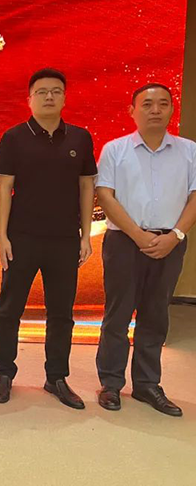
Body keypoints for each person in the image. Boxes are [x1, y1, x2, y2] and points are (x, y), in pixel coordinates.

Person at [0, 68, 97, 409]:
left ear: (64, 98)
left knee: (62, 313)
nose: (49, 97)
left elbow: (86, 188)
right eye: (42, 92)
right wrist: (2, 237)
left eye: (56, 91)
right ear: (30, 99)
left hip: (64, 239)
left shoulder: (80, 138)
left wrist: (85, 235)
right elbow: (4, 190)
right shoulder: (14, 137)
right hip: (22, 237)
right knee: (9, 310)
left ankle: (57, 377)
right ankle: (4, 373)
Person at [95, 83, 196, 416]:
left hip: (170, 242)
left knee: (155, 314)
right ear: (132, 110)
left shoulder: (189, 151)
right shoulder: (115, 149)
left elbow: (195, 196)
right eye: (147, 104)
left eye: (163, 104)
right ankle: (111, 383)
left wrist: (176, 235)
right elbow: (105, 195)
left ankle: (147, 384)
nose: (155, 110)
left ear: (171, 110)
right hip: (124, 242)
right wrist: (137, 235)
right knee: (117, 315)